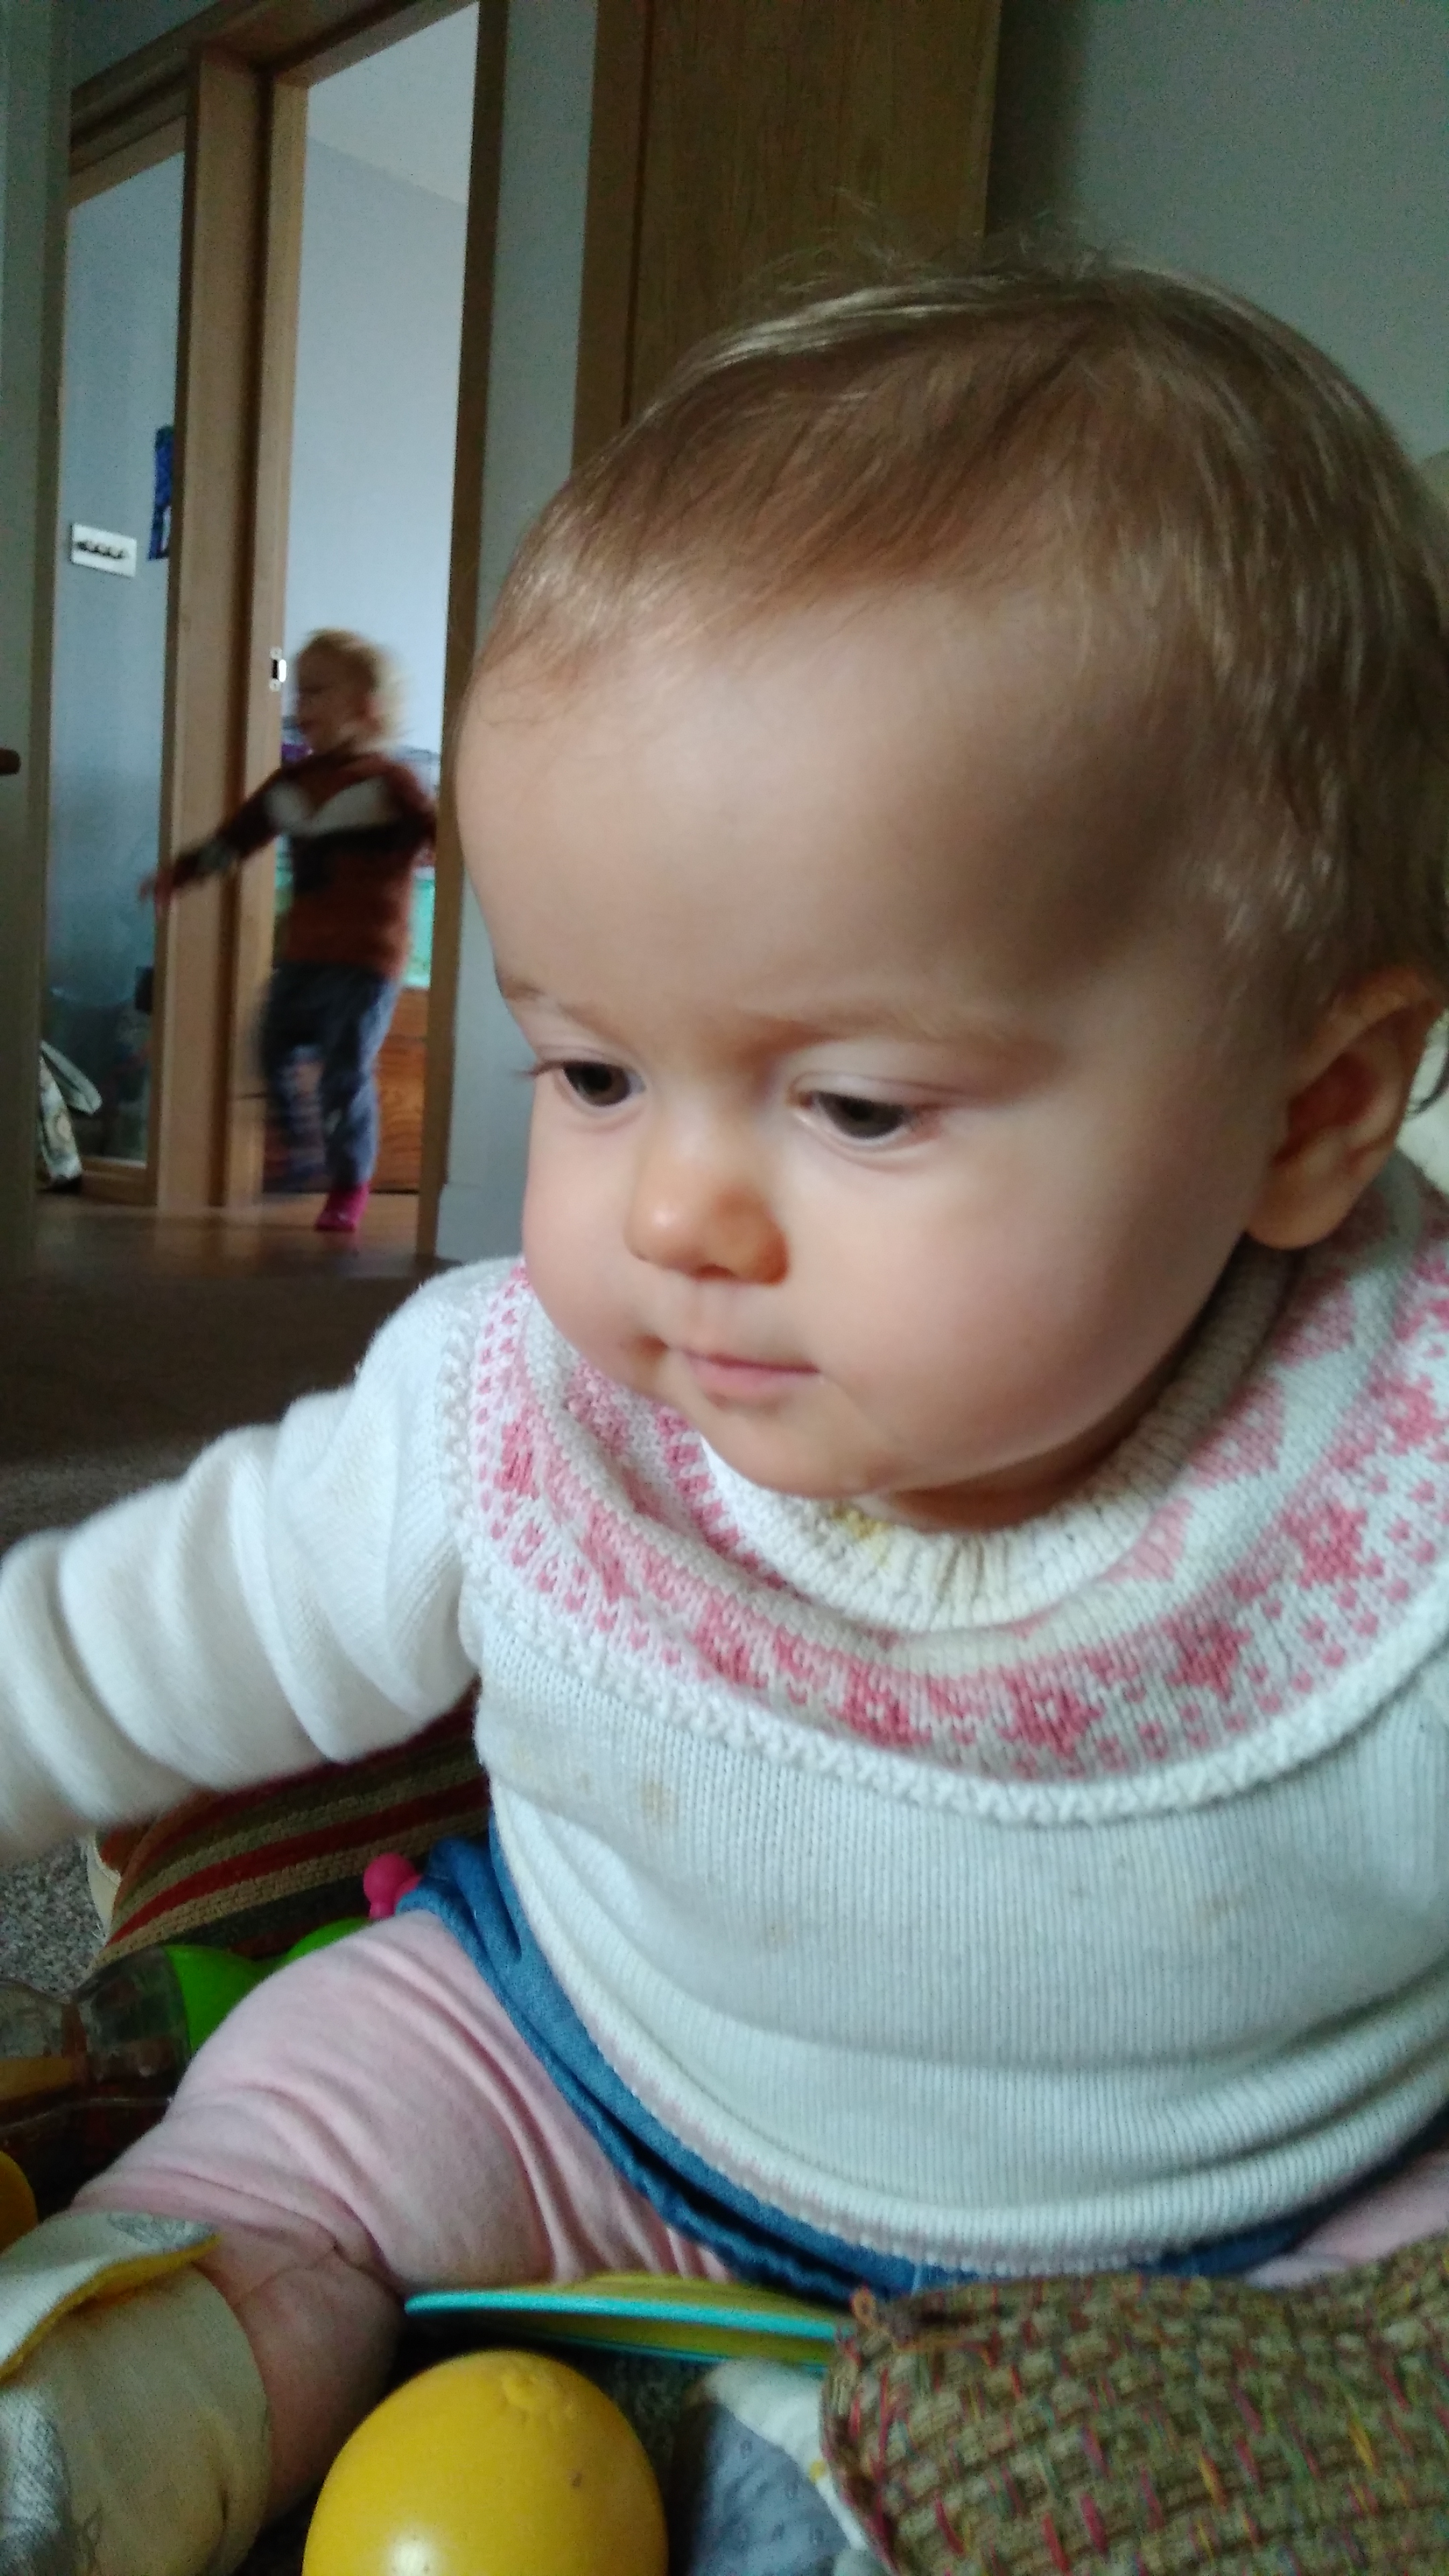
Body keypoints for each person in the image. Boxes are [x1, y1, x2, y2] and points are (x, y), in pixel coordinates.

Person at [3, 251, 1449, 2571]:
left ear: (1312, 1108)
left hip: (1246, 2231)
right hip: (581, 2077)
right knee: (316, 2088)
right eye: (589, 1069)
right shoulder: (526, 1406)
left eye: (859, 1106)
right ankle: (114, 2397)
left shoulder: (1410, 1468)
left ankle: (895, 2484)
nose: (672, 1210)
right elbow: (166, 1628)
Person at [148, 629, 435, 1234]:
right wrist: (182, 874)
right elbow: (237, 839)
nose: (301, 705)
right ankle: (300, 1153)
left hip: (367, 961)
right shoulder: (291, 787)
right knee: (270, 1047)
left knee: (344, 1075)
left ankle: (348, 1184)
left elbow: (441, 832)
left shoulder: (392, 784)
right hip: (302, 956)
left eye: (317, 692)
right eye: (299, 692)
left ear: (365, 708)